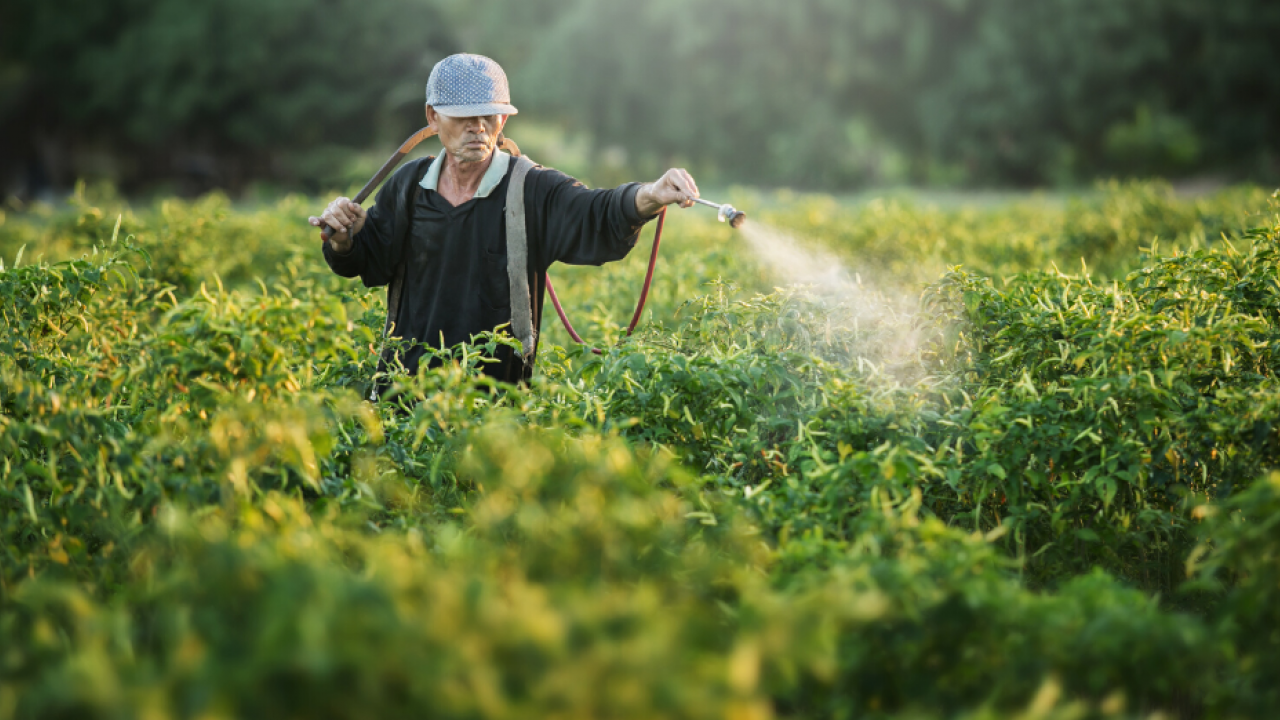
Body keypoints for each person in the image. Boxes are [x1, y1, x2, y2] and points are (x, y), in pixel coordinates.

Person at [308, 53, 699, 390]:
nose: (477, 127)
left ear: (503, 121)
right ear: (432, 116)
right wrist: (344, 240)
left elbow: (594, 211)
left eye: (488, 116)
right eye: (463, 117)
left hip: (496, 401)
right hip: (407, 391)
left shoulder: (532, 188)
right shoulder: (409, 185)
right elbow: (371, 258)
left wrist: (650, 195)